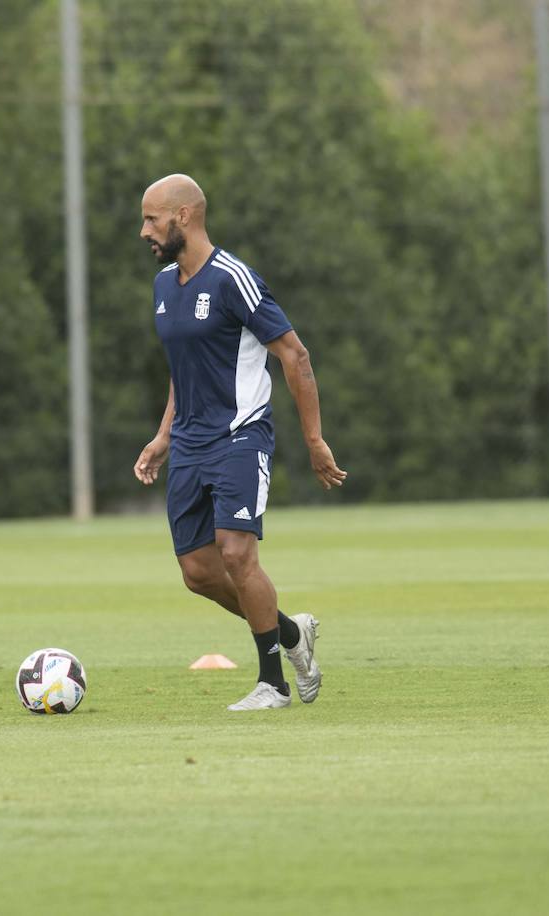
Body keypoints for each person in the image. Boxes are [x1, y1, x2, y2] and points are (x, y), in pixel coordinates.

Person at [133, 174, 347, 711]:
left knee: (235, 553)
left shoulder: (234, 278)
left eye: (151, 219)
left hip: (240, 436)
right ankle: (292, 634)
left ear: (184, 216)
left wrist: (315, 439)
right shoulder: (163, 285)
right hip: (187, 443)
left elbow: (294, 355)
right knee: (197, 572)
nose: (144, 231)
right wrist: (162, 436)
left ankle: (272, 683)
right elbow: (183, 371)